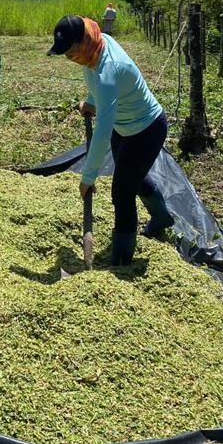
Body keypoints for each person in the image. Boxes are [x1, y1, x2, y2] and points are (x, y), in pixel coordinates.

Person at [48, 14, 172, 265]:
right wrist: (91, 101)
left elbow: (102, 129)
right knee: (132, 178)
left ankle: (121, 261)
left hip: (147, 129)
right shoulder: (95, 47)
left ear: (84, 41)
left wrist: (88, 177)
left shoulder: (109, 69)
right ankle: (162, 218)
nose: (70, 59)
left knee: (122, 192)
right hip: (123, 126)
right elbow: (101, 89)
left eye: (71, 52)